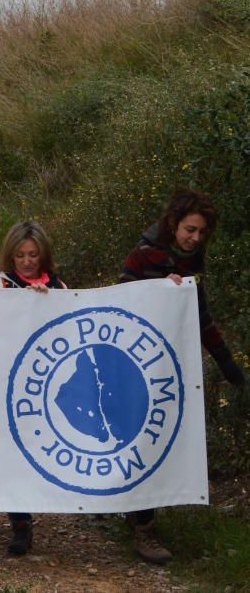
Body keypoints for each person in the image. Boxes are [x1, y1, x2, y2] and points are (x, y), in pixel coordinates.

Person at [117, 188, 244, 564]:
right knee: (139, 439)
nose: (195, 238)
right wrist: (158, 290)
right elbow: (119, 302)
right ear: (174, 223)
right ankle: (142, 527)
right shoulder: (143, 256)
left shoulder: (193, 260)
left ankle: (144, 512)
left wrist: (229, 366)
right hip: (136, 364)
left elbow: (200, 317)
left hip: (170, 366)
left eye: (202, 233)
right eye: (190, 230)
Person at [0, 221, 67, 556]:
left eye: (33, 255)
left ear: (43, 255)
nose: (27, 261)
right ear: (10, 255)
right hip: (5, 380)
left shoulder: (59, 287)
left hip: (45, 384)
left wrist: (49, 303)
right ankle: (20, 522)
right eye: (20, 255)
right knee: (10, 452)